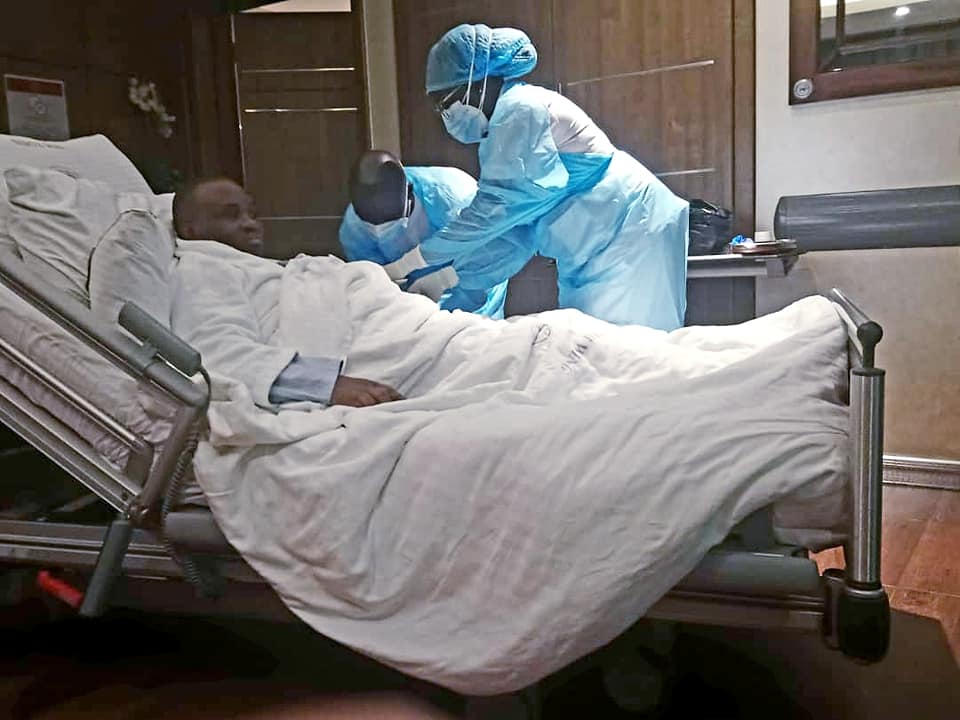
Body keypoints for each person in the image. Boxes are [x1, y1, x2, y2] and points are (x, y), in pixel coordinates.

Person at [410, 23, 691, 330]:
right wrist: (449, 278)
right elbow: (515, 236)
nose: (446, 116)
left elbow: (493, 210)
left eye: (446, 103)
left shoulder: (519, 109)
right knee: (595, 346)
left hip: (632, 231)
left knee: (632, 347)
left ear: (476, 85)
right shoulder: (506, 131)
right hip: (598, 245)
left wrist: (416, 260)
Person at [172, 177, 401, 408]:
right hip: (364, 357)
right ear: (191, 231)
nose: (250, 224)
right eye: (230, 215)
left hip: (387, 326)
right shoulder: (203, 268)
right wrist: (326, 384)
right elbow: (218, 352)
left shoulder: (251, 267)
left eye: (253, 214)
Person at [339, 150, 508, 318]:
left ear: (409, 192)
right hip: (405, 311)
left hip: (474, 297)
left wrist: (445, 279)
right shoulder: (354, 226)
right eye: (371, 224)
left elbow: (494, 255)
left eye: (391, 221)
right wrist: (388, 288)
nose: (379, 230)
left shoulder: (456, 200)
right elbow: (370, 278)